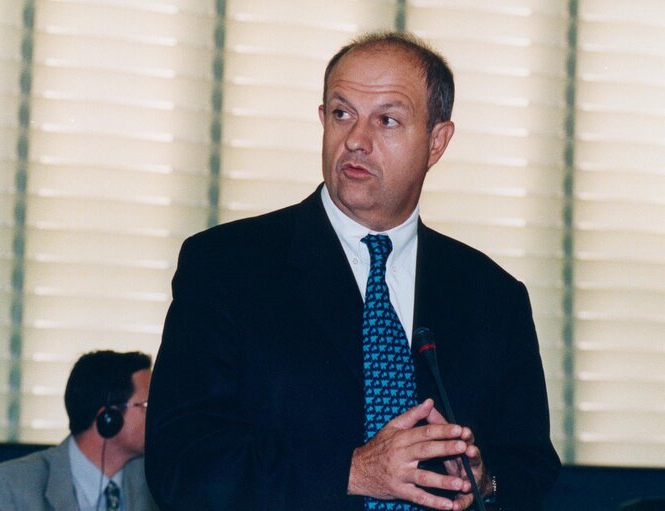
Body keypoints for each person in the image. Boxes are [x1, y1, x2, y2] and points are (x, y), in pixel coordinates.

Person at [146, 31, 561, 511]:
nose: (356, 141)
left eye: (387, 120)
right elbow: (181, 462)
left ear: (437, 141)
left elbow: (531, 468)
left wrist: (485, 481)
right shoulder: (227, 266)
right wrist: (353, 472)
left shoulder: (492, 296)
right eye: (342, 114)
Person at [0, 350, 159, 511]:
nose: (157, 415)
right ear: (108, 417)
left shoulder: (158, 485)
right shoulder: (10, 487)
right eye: (146, 405)